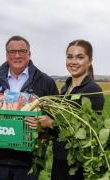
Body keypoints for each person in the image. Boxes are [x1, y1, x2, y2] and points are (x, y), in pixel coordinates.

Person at [0, 35, 59, 180]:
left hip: (29, 160)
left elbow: (57, 121)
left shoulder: (45, 82)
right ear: (7, 55)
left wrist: (45, 122)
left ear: (29, 54)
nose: (17, 56)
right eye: (13, 52)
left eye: (22, 51)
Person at [38, 39, 105, 180]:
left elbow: (87, 131)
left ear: (90, 60)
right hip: (60, 159)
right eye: (70, 56)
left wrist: (51, 123)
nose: (73, 62)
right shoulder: (65, 88)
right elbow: (62, 120)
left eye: (80, 57)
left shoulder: (93, 90)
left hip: (77, 163)